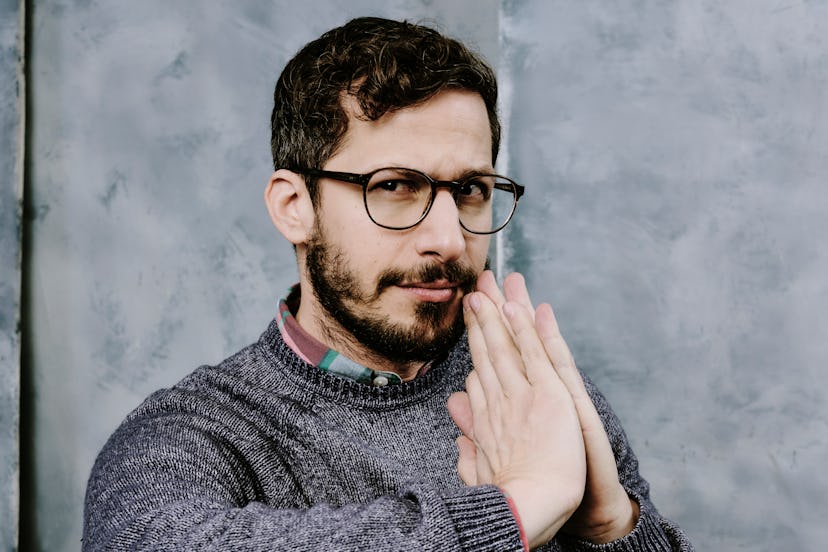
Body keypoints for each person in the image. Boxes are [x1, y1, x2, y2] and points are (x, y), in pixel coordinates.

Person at [83, 16, 693, 551]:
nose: (451, 240)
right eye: (397, 186)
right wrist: (516, 510)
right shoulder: (191, 436)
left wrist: (612, 527)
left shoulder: (530, 396)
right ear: (295, 206)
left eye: (470, 191)